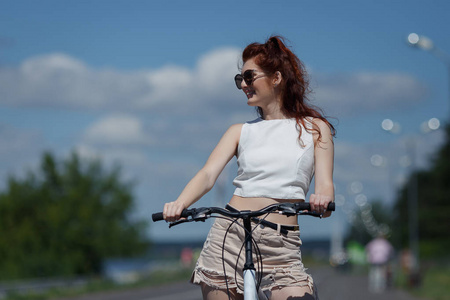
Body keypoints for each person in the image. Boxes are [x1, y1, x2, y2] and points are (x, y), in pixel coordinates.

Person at [163, 36, 335, 300]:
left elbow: (324, 183)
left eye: (249, 76)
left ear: (276, 78)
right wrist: (179, 203)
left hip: (282, 243)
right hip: (229, 237)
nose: (243, 84)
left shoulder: (314, 128)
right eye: (239, 79)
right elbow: (208, 174)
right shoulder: (239, 131)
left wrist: (322, 200)